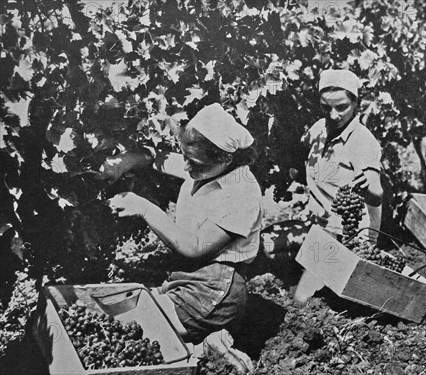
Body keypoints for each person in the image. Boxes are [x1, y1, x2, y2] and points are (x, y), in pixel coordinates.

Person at [100, 103, 260, 371]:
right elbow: (157, 160)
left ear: (225, 159)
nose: (185, 166)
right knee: (129, 313)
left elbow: (195, 247)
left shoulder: (241, 194)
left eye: (194, 162)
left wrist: (143, 208)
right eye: (184, 155)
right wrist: (127, 160)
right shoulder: (205, 166)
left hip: (217, 289)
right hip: (190, 277)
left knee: (140, 328)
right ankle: (206, 343)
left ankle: (204, 352)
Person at [262, 69, 383, 260]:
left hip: (351, 235)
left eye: (342, 107)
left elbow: (377, 197)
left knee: (317, 282)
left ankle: (318, 268)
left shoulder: (364, 142)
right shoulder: (319, 129)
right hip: (319, 223)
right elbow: (299, 160)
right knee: (267, 244)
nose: (333, 115)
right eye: (326, 108)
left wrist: (367, 187)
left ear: (356, 104)